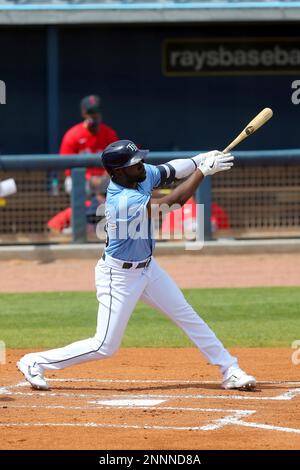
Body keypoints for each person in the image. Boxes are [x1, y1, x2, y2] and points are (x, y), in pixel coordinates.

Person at [17, 140, 256, 392]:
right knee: (104, 346)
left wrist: (200, 158)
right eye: (134, 163)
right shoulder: (122, 200)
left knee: (187, 316)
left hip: (148, 269)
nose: (141, 165)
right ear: (117, 172)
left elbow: (170, 170)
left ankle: (229, 369)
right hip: (118, 276)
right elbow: (173, 202)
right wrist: (203, 172)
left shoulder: (138, 176)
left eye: (140, 160)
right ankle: (35, 361)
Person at [60, 94, 119, 193]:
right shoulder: (73, 135)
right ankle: (81, 207)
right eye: (91, 112)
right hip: (83, 180)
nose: (94, 115)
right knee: (70, 183)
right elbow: (67, 167)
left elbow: (116, 161)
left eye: (97, 111)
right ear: (84, 113)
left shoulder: (110, 134)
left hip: (104, 179)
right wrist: (90, 179)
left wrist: (105, 176)